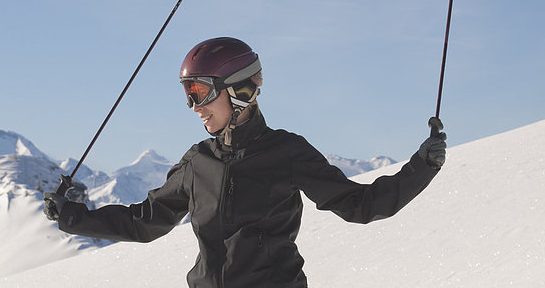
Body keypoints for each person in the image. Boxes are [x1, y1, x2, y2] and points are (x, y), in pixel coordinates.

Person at [44, 37, 446, 287]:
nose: (194, 107)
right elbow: (144, 220)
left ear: (239, 91)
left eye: (200, 92)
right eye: (188, 94)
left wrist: (421, 168)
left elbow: (361, 205)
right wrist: (73, 217)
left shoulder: (286, 152)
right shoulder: (197, 162)